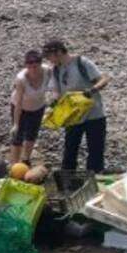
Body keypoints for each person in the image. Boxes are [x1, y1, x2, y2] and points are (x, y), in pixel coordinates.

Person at [42, 40, 111, 173]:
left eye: (49, 56)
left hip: (94, 115)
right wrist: (54, 101)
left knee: (95, 150)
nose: (48, 60)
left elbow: (104, 79)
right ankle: (68, 178)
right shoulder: (56, 70)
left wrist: (91, 90)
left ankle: (94, 177)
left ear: (59, 52)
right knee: (70, 149)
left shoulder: (81, 62)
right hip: (73, 116)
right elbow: (57, 90)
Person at [9, 50, 53, 165]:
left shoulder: (48, 71)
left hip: (38, 106)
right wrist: (16, 124)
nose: (33, 70)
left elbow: (55, 84)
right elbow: (18, 102)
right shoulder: (21, 79)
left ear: (40, 64)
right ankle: (14, 164)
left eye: (36, 66)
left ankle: (25, 159)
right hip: (21, 107)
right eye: (30, 67)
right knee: (17, 136)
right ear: (26, 66)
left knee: (32, 134)